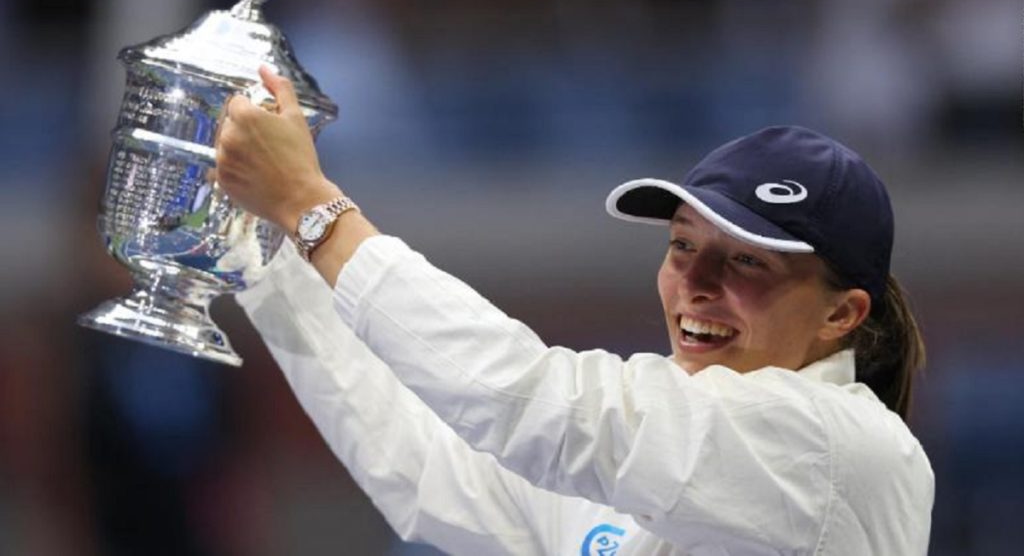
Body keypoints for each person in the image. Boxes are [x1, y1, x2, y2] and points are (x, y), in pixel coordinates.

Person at [217, 67, 934, 554]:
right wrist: (258, 246)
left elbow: (528, 401)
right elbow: (426, 466)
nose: (696, 282)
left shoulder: (842, 448)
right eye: (684, 245)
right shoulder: (644, 448)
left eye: (748, 262)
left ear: (842, 315)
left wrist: (310, 208)